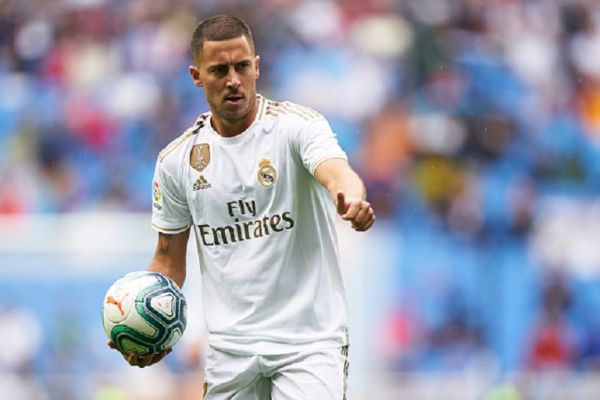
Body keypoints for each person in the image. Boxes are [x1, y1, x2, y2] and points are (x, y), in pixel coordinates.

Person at [109, 14, 375, 399]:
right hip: (230, 352)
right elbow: (168, 260)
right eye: (219, 70)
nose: (233, 79)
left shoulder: (296, 127)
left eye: (242, 66)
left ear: (257, 67)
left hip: (309, 344)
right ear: (196, 76)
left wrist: (351, 197)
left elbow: (337, 170)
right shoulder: (177, 161)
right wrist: (145, 327)